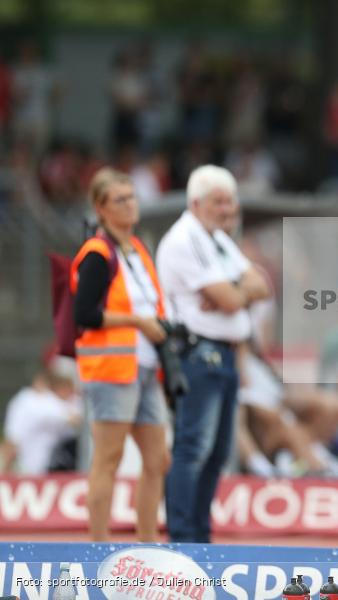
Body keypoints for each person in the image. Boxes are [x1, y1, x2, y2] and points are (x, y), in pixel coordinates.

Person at [156, 165, 271, 543]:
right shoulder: (184, 238)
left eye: (230, 201)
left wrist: (234, 292)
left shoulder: (217, 240)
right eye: (217, 202)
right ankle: (183, 536)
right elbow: (230, 298)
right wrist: (233, 293)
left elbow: (260, 285)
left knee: (217, 451)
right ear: (195, 203)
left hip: (224, 354)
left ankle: (199, 535)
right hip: (196, 354)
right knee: (193, 447)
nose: (226, 209)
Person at [70, 167, 170, 541]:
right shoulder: (97, 254)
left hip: (145, 367)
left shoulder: (137, 249)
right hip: (112, 370)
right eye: (120, 199)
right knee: (108, 459)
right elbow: (85, 313)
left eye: (132, 197)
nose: (130, 205)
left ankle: (147, 540)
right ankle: (98, 544)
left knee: (157, 459)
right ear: (101, 208)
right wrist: (138, 322)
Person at [0, 363, 81, 475]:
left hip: (38, 468)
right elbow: (75, 419)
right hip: (37, 470)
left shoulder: (24, 399)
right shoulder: (38, 400)